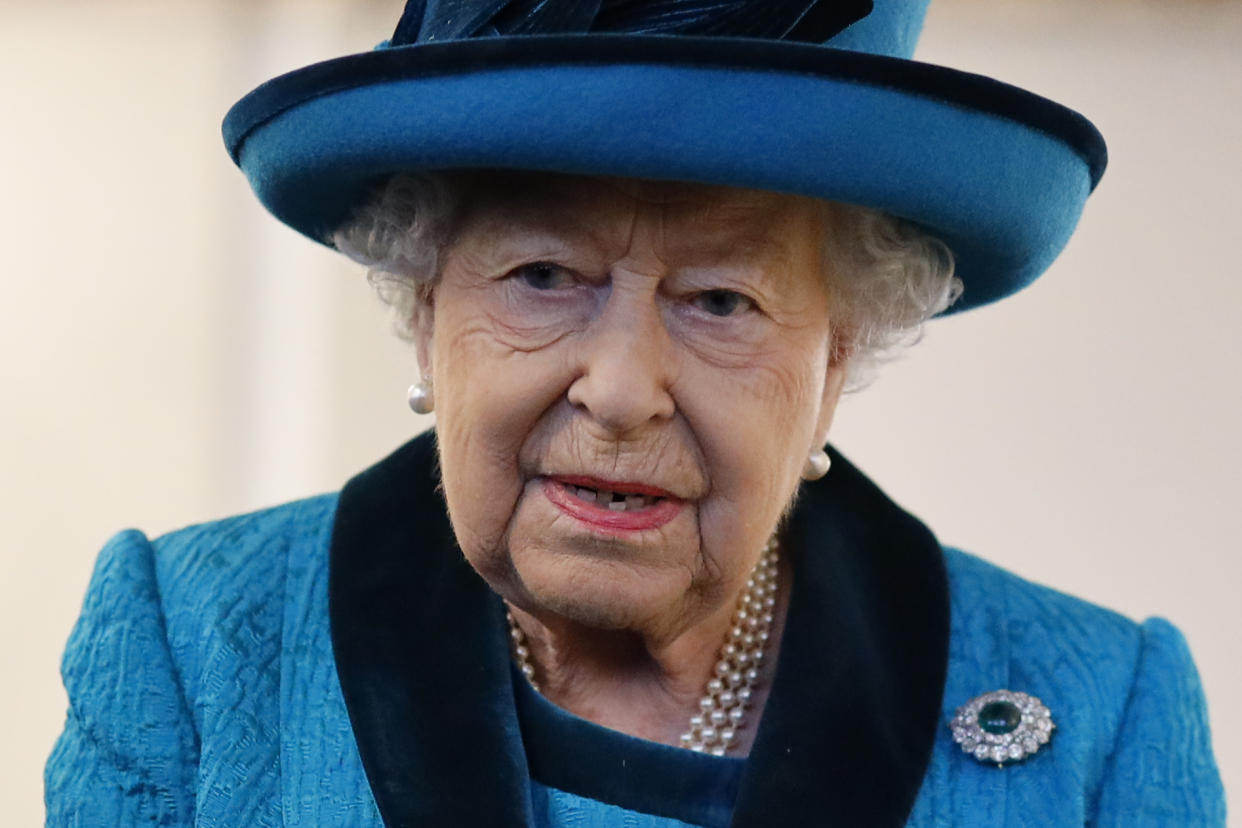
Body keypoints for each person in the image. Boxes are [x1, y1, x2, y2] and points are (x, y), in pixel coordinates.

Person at [46, 0, 1225, 825]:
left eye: (722, 299)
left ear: (838, 359)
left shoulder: (1098, 712)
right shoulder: (194, 645)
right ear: (422, 314)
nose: (618, 388)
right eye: (542, 278)